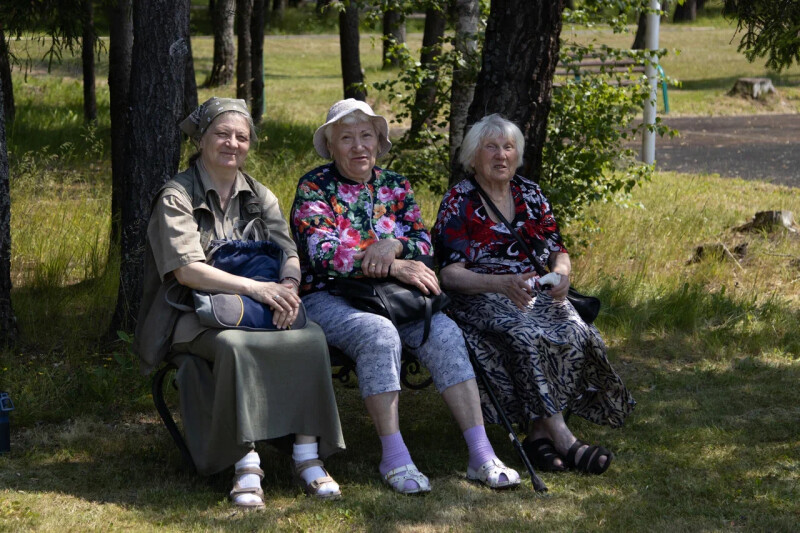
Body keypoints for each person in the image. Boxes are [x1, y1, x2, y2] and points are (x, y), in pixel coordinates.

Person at [290, 99, 520, 494]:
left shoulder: (395, 185)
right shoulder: (314, 187)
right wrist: (391, 262)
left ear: (379, 142)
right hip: (330, 296)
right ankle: (395, 458)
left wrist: (394, 246)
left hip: (395, 297)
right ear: (331, 146)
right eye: (347, 138)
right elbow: (322, 254)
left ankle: (480, 453)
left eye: (367, 136)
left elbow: (422, 242)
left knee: (445, 334)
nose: (359, 146)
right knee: (379, 335)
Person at [134, 97, 345, 508]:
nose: (232, 143)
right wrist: (257, 290)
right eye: (222, 134)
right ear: (202, 139)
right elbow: (187, 272)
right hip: (191, 315)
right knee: (235, 346)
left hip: (258, 309)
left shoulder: (259, 195)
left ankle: (307, 455)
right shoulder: (176, 195)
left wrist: (286, 286)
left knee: (311, 337)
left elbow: (288, 249)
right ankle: (246, 462)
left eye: (241, 136)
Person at [433, 114, 636, 475]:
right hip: (481, 296)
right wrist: (499, 284)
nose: (501, 155)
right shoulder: (458, 201)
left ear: (518, 154)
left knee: (576, 330)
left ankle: (538, 436)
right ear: (473, 156)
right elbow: (449, 274)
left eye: (508, 147)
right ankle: (563, 437)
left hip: (536, 293)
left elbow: (559, 249)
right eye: (491, 147)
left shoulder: (531, 194)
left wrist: (560, 275)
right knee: (524, 334)